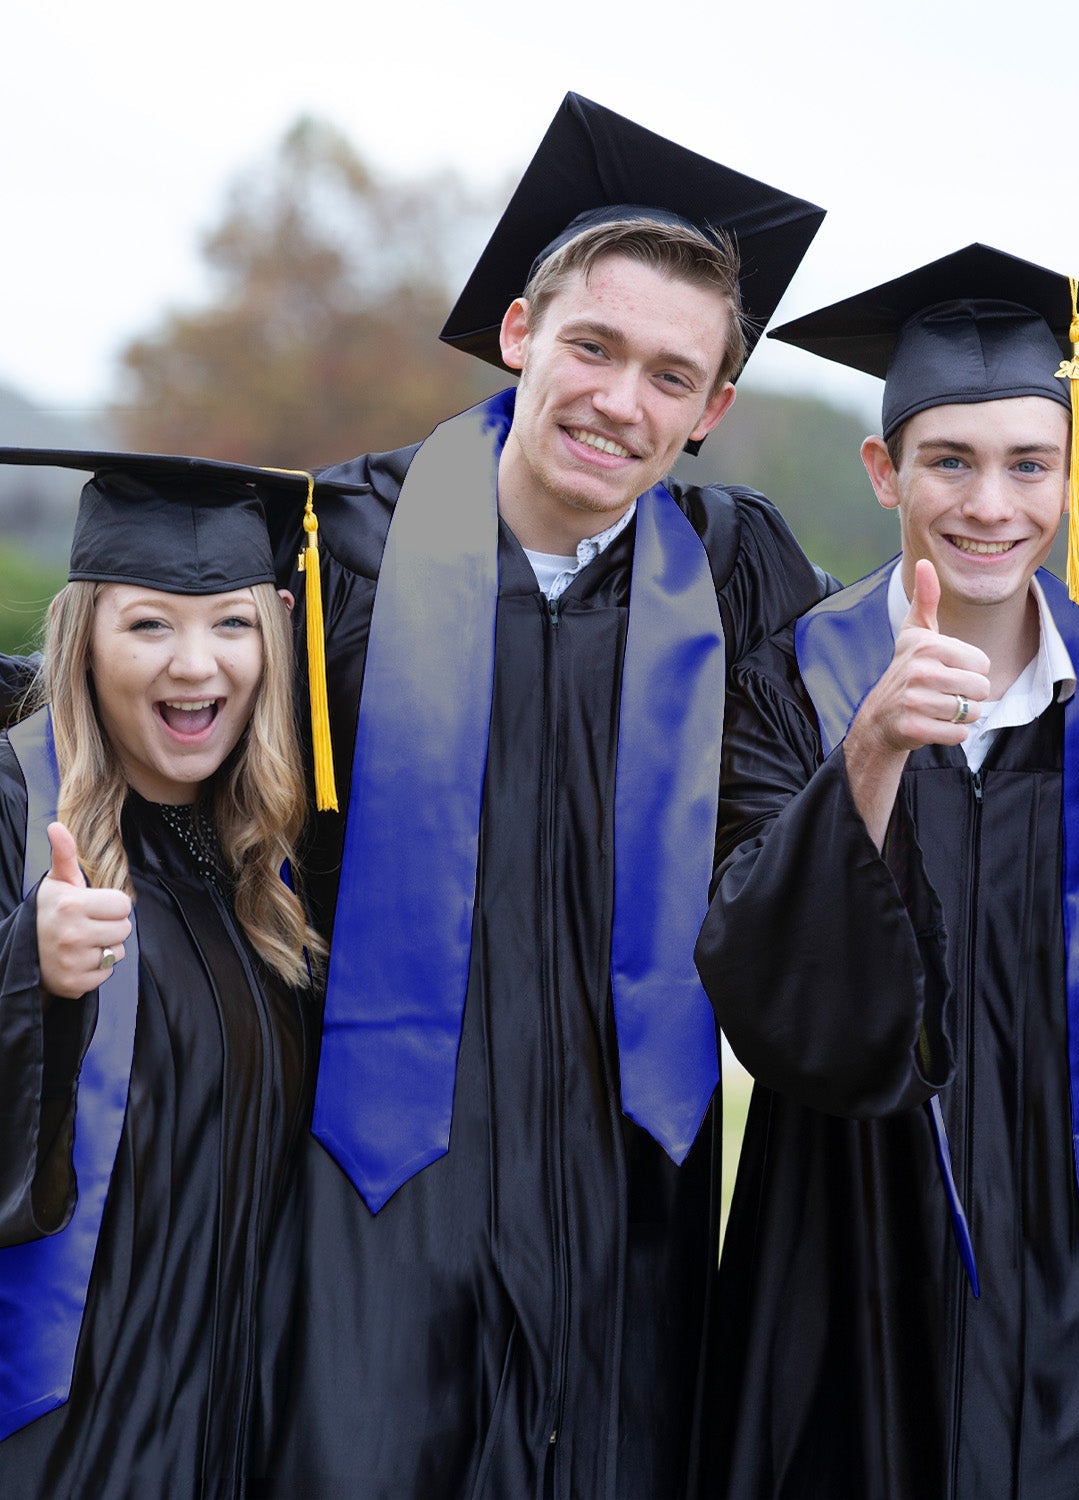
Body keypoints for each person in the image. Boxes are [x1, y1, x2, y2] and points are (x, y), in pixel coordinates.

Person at [253, 95, 829, 1499]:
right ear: (521, 334)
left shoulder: (740, 570)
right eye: (593, 346)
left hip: (629, 1177)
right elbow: (148, 707)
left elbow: (901, 720)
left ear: (711, 412)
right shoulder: (342, 546)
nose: (621, 401)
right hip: (377, 1168)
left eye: (670, 376)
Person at [693, 246, 1079, 1499]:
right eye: (950, 461)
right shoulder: (791, 682)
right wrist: (869, 747)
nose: (992, 503)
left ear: (1070, 475)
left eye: (1029, 464)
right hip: (852, 1254)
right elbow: (761, 983)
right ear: (886, 473)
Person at [0, 452, 340, 1498]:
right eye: (150, 624)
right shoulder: (15, 811)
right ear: (84, 636)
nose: (196, 666)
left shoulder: (267, 864)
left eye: (231, 624)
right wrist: (31, 973)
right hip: (65, 1430)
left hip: (229, 1417)